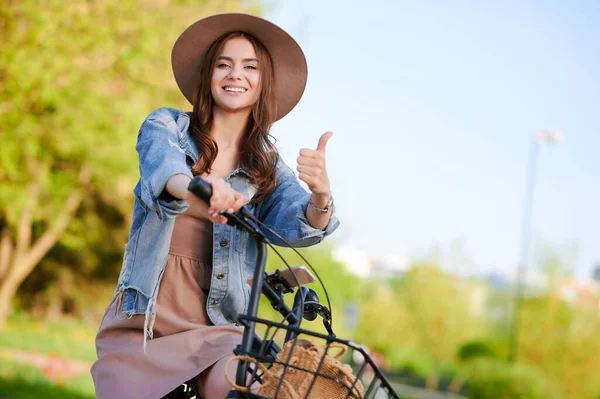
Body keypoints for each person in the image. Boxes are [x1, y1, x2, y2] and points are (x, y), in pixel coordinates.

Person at [90, 12, 339, 399]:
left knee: (243, 389)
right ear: (209, 75)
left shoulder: (267, 169)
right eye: (224, 64)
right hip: (146, 320)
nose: (235, 74)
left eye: (249, 67)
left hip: (222, 326)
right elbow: (165, 173)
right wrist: (198, 189)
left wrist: (321, 194)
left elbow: (299, 225)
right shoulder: (167, 126)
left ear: (263, 83)